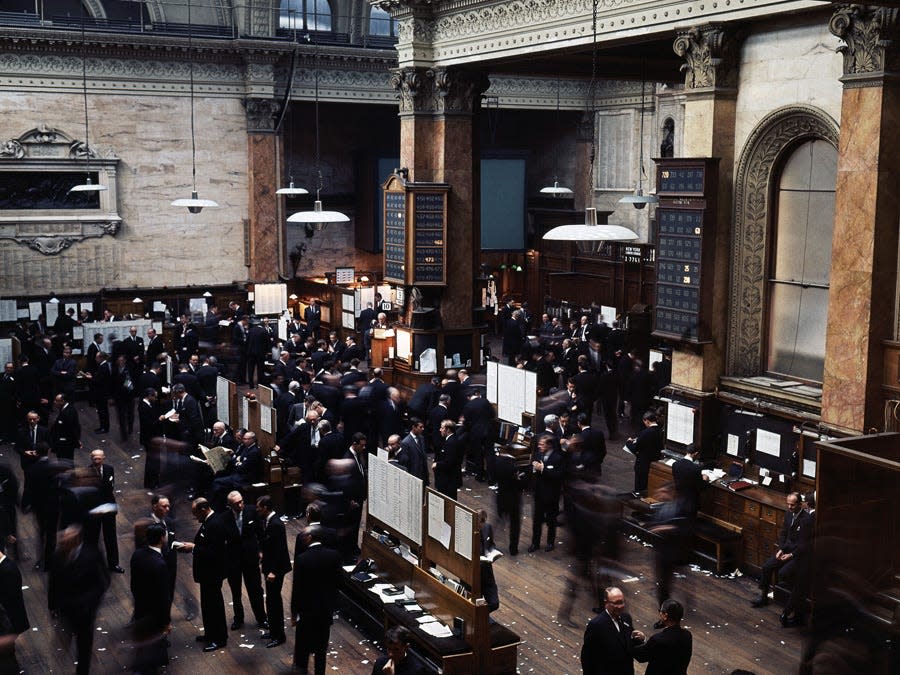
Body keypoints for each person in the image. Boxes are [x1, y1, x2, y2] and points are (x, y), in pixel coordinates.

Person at [48, 524, 110, 675]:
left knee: (84, 647)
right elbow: (53, 583)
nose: (62, 544)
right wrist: (52, 606)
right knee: (64, 639)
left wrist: (91, 603)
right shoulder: (57, 555)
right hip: (65, 608)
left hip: (85, 610)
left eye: (66, 541)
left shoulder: (91, 554)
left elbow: (103, 582)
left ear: (76, 541)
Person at [751, 491, 812, 623]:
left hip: (797, 553)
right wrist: (780, 549)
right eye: (788, 504)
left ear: (800, 504)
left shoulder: (806, 519)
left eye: (793, 505)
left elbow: (804, 544)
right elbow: (784, 533)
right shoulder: (788, 514)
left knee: (786, 574)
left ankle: (790, 605)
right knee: (767, 567)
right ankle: (763, 597)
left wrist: (790, 555)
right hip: (786, 549)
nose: (790, 507)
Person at [291, 525, 342, 675]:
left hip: (307, 611)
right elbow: (338, 583)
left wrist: (294, 612)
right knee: (321, 649)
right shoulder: (334, 556)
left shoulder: (302, 559)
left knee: (303, 647)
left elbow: (297, 589)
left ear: (310, 538)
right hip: (325, 610)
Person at [130, 522, 172, 674]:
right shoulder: (160, 564)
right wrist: (166, 621)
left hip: (141, 606)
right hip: (155, 612)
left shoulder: (137, 555)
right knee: (153, 644)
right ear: (162, 538)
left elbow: (134, 584)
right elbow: (163, 596)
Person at [223, 490, 267, 632]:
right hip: (233, 558)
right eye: (236, 504)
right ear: (230, 505)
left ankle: (261, 617)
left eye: (241, 501)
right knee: (235, 591)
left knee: (255, 589)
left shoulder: (251, 511)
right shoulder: (224, 518)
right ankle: (238, 618)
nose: (241, 505)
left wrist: (261, 550)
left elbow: (260, 532)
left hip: (250, 556)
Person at [191, 498, 228, 652]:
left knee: (215, 606)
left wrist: (193, 548)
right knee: (207, 605)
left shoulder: (215, 524)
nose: (195, 517)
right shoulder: (208, 522)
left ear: (203, 509)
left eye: (195, 513)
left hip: (213, 573)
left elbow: (215, 553)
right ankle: (210, 633)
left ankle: (219, 638)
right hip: (207, 574)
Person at [581, 587, 645, 675]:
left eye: (622, 602)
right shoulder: (596, 625)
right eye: (616, 603)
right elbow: (587, 658)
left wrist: (640, 639)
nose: (620, 606)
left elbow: (627, 644)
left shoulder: (626, 618)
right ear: (606, 602)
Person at [257, 495, 291, 648]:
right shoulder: (270, 522)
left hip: (275, 570)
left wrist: (274, 571)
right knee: (270, 601)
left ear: (265, 508)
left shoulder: (276, 524)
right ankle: (273, 630)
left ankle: (279, 635)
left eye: (259, 507)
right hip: (270, 566)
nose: (257, 510)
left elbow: (280, 550)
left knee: (274, 601)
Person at [86, 449, 124, 573]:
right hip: (95, 509)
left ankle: (113, 564)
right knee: (93, 538)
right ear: (91, 459)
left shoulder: (109, 469)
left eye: (99, 458)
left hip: (108, 508)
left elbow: (111, 487)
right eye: (95, 458)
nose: (97, 461)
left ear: (103, 458)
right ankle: (92, 565)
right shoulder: (86, 472)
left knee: (111, 537)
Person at [632, 598, 693, 675]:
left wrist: (636, 641)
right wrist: (645, 641)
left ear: (665, 616)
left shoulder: (658, 640)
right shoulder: (687, 635)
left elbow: (641, 657)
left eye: (660, 611)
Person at [528, 433, 565, 553]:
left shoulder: (557, 458)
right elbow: (532, 469)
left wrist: (543, 469)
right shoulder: (538, 455)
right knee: (536, 521)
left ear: (549, 445)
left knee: (551, 521)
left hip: (551, 496)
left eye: (542, 444)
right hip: (539, 495)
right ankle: (535, 543)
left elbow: (558, 475)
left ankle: (550, 543)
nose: (539, 446)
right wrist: (534, 469)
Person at [0, 545, 29, 674]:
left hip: (9, 622)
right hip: (6, 621)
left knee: (7, 657)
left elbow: (9, 601)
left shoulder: (8, 570)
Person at [624, 411, 663, 496]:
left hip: (643, 462)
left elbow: (635, 447)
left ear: (647, 421)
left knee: (640, 485)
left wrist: (629, 442)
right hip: (655, 460)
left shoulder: (646, 432)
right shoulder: (660, 431)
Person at [49, 392, 81, 461]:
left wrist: (77, 441)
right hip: (65, 442)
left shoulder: (67, 413)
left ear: (63, 401)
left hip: (65, 444)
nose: (54, 402)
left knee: (65, 461)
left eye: (56, 401)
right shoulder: (67, 408)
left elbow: (72, 429)